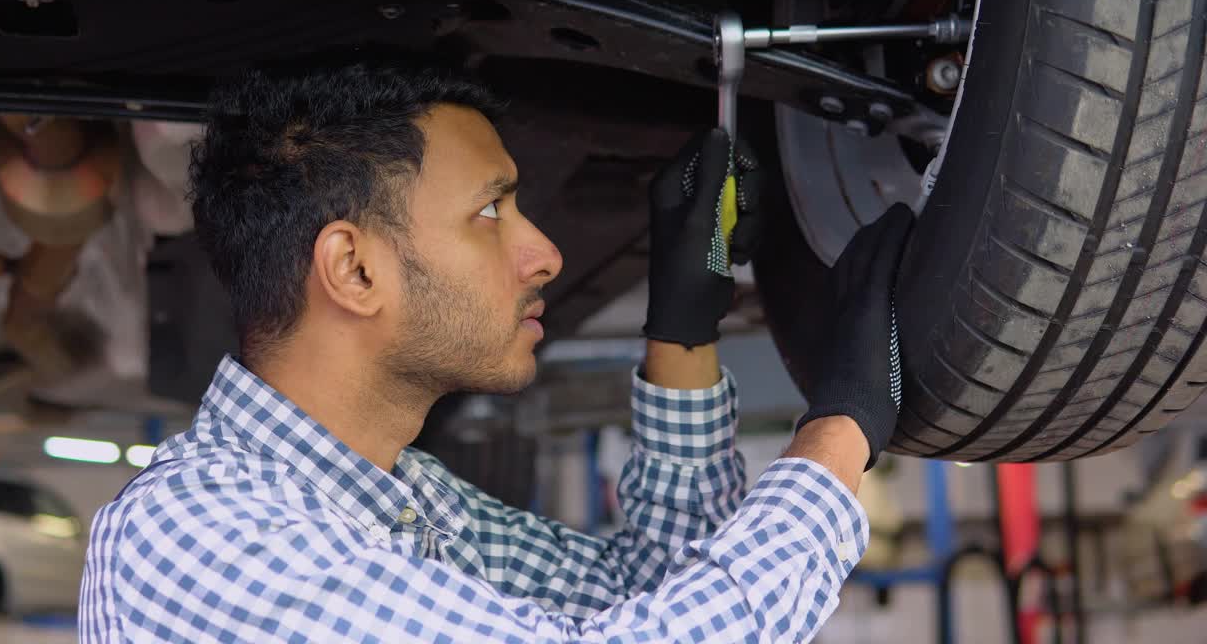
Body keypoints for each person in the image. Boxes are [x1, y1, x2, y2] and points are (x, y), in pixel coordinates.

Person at [79, 61, 912, 643]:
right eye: (492, 212)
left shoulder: (402, 502)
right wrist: (833, 436)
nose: (544, 252)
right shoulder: (197, 535)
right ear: (354, 268)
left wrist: (683, 333)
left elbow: (647, 597)